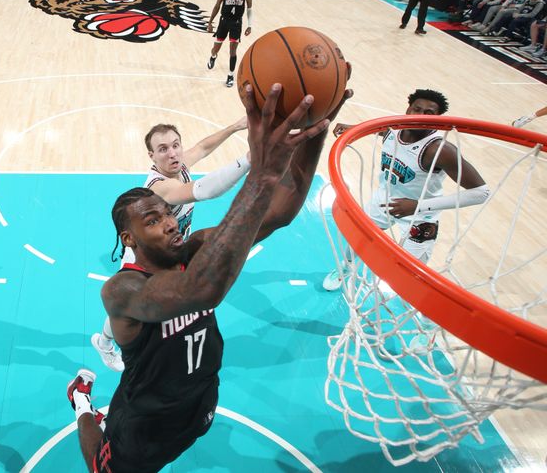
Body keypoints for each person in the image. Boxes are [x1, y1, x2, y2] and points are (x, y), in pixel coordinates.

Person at [68, 81, 351, 473]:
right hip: (145, 422)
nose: (169, 223)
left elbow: (281, 213)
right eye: (154, 220)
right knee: (102, 468)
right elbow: (202, 290)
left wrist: (316, 127)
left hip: (200, 401)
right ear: (129, 238)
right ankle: (81, 402)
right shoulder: (123, 289)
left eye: (167, 214)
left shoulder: (193, 247)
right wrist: (260, 172)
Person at [91, 117, 249, 371]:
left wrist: (235, 127)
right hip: (143, 260)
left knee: (166, 308)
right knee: (128, 312)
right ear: (152, 156)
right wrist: (251, 158)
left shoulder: (179, 165)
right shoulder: (162, 186)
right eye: (163, 149)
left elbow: (203, 147)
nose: (172, 153)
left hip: (168, 251)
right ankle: (105, 341)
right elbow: (205, 190)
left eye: (176, 145)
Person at [323, 89, 490, 291]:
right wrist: (354, 127)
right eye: (417, 109)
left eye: (429, 113)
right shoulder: (393, 128)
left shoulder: (439, 150)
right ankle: (346, 270)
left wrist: (418, 206)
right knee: (356, 240)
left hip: (420, 216)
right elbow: (383, 131)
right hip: (384, 200)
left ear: (438, 119)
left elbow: (481, 192)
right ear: (408, 109)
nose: (420, 114)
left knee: (412, 276)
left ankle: (426, 316)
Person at [206, 0, 253, 88]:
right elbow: (217, 6)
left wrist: (249, 25)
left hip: (236, 23)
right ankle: (213, 56)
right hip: (224, 22)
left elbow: (249, 9)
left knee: (233, 51)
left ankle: (230, 76)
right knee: (216, 48)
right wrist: (210, 22)